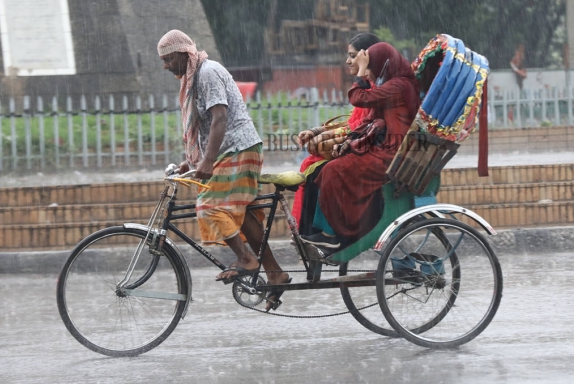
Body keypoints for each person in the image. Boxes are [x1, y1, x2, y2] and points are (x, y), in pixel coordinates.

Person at [158, 29, 289, 311]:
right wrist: (192, 161)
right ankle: (275, 272)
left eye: (168, 60)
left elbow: (220, 118)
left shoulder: (207, 72)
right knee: (239, 215)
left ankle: (246, 259)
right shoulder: (193, 78)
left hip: (239, 148)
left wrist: (207, 161)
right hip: (231, 151)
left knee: (209, 206)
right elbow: (206, 127)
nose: (166, 66)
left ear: (183, 53)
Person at [301, 42, 421, 250]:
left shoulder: (399, 86)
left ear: (383, 66)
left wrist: (361, 71)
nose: (369, 74)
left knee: (332, 171)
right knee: (328, 168)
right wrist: (349, 141)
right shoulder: (393, 84)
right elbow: (369, 118)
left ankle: (336, 233)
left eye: (371, 67)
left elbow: (358, 98)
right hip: (382, 148)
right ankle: (329, 228)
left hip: (389, 155)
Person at [292, 33, 381, 236]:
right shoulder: (371, 84)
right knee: (312, 167)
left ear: (365, 57)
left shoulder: (376, 87)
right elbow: (355, 122)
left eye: (352, 56)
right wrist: (319, 132)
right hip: (362, 144)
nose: (347, 61)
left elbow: (363, 125)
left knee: (321, 172)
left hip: (371, 152)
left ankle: (322, 232)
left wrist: (337, 137)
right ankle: (308, 233)